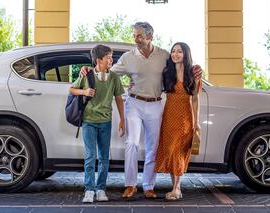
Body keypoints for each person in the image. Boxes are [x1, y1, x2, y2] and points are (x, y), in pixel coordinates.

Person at [80, 22, 202, 199]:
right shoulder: (128, 57)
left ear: (149, 36)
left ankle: (148, 186)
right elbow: (107, 72)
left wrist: (197, 68)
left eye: (139, 36)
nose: (135, 39)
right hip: (134, 103)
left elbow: (181, 64)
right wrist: (88, 70)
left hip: (155, 104)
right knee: (132, 143)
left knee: (153, 146)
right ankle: (130, 185)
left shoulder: (164, 55)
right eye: (134, 35)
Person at [69, 44, 125, 203]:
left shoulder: (114, 78)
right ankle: (89, 190)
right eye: (109, 57)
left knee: (104, 157)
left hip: (106, 122)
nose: (111, 60)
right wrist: (84, 92)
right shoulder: (87, 75)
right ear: (99, 60)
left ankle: (101, 189)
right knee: (90, 156)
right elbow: (72, 89)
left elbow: (119, 99)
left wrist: (122, 120)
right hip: (89, 122)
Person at [154, 42, 201, 200]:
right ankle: (176, 187)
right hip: (169, 116)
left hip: (184, 118)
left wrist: (196, 121)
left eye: (179, 52)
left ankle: (176, 189)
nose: (175, 54)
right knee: (171, 150)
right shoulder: (167, 71)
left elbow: (195, 99)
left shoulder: (192, 73)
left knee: (179, 151)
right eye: (173, 51)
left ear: (185, 54)